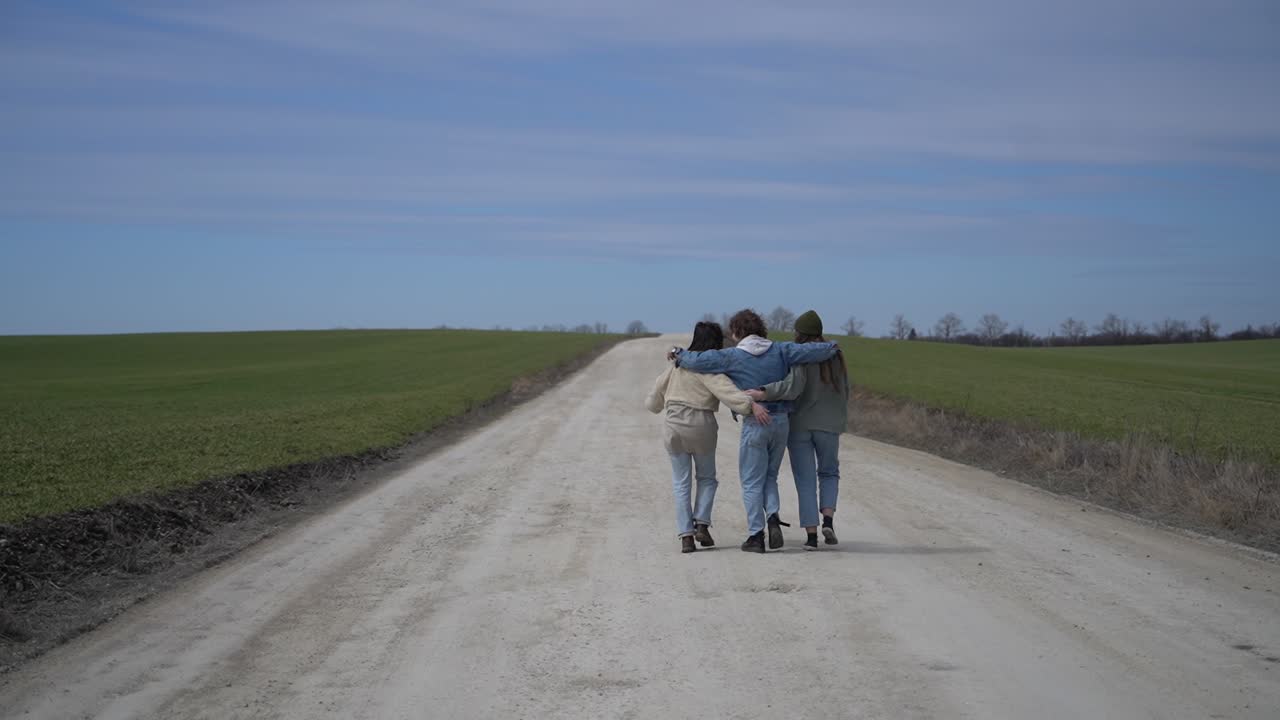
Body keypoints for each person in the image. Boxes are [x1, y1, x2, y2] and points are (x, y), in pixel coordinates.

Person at [669, 309, 838, 553]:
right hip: (781, 422)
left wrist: (678, 354)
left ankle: (756, 535)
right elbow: (811, 351)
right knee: (770, 476)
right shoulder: (781, 350)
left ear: (737, 332)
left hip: (755, 422)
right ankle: (772, 517)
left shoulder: (731, 356)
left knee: (751, 481)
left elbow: (699, 361)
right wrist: (832, 346)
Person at [646, 321, 772, 554]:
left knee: (681, 482)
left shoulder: (677, 365)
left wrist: (654, 405)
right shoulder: (708, 367)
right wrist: (750, 406)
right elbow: (727, 391)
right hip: (701, 425)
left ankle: (686, 537)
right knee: (706, 479)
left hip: (673, 425)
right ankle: (701, 524)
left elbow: (654, 397)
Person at [747, 310, 849, 550]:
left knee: (805, 479)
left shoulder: (801, 356)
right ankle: (829, 521)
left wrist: (764, 392)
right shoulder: (836, 355)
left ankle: (812, 537)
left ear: (799, 334)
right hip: (830, 424)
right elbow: (846, 390)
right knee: (829, 473)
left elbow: (792, 388)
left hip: (800, 425)